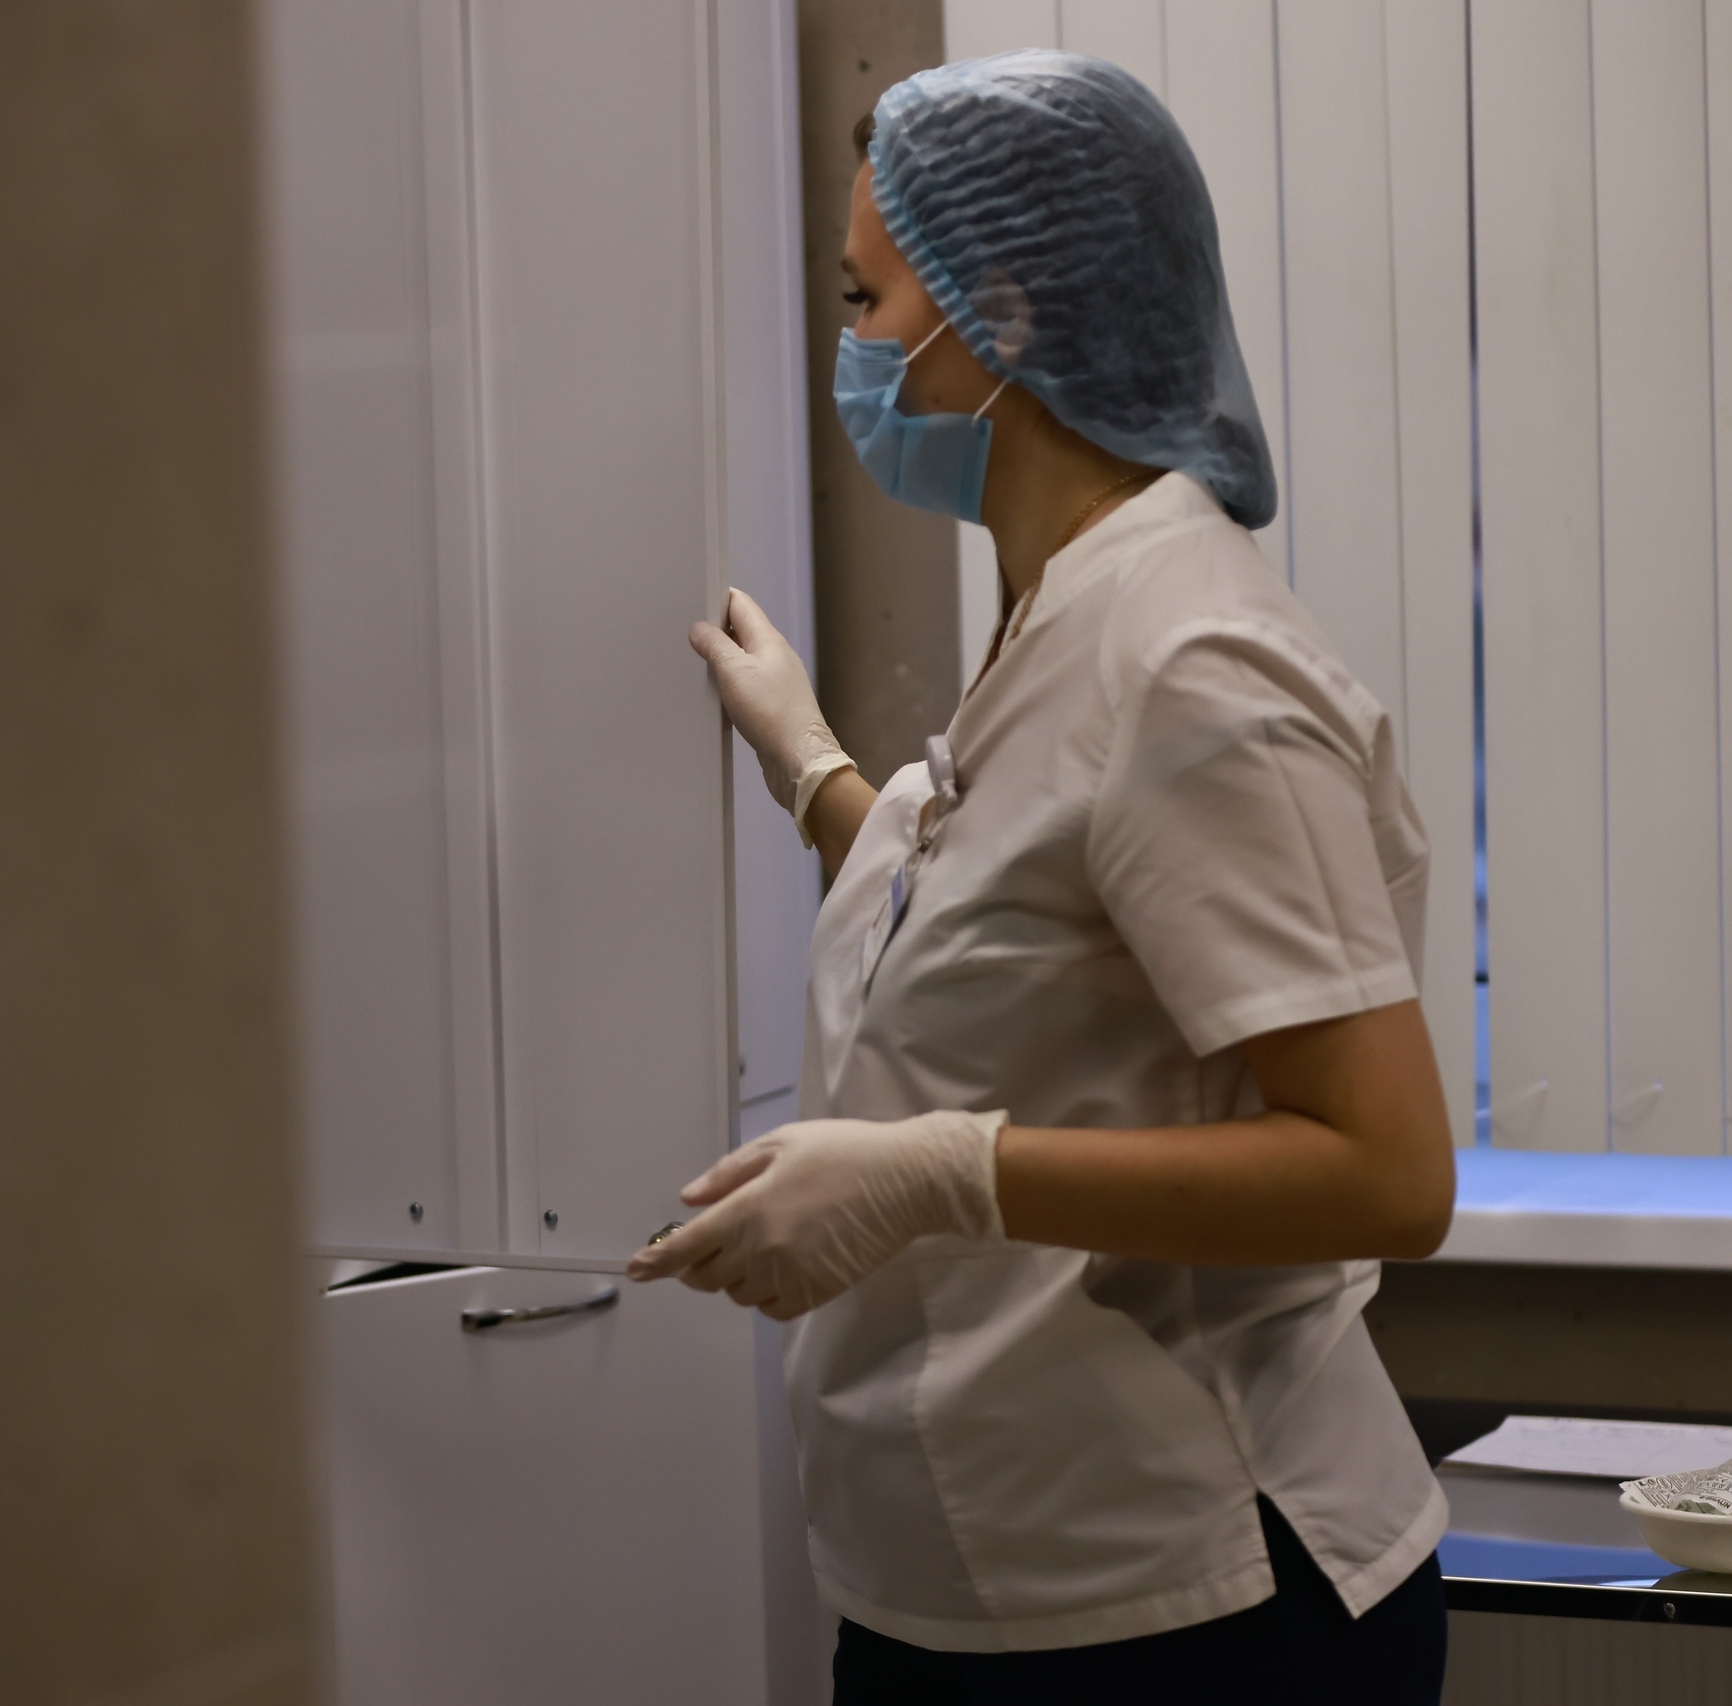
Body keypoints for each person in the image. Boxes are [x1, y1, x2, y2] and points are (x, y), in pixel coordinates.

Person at [629, 50, 1455, 1704]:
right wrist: (811, 764)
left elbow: (1387, 1171)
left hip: (1194, 1601)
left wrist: (942, 1172)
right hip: (981, 1585)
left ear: (996, 317)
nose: (854, 349)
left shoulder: (1189, 658)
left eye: (867, 299)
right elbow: (1007, 927)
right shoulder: (1062, 607)